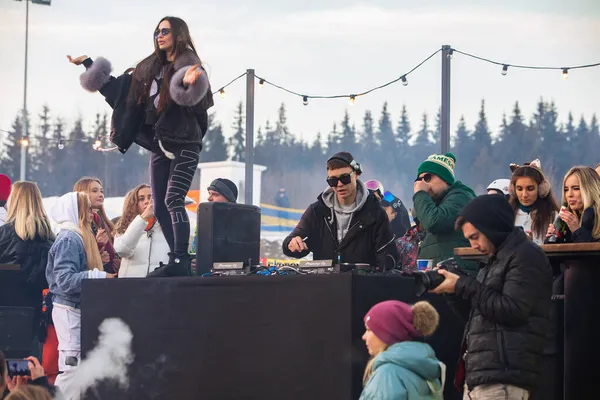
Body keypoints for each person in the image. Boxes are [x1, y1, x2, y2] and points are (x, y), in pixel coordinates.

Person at [69, 16, 212, 277]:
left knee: (173, 199)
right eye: (157, 31)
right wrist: (89, 64)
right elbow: (120, 92)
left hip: (186, 143)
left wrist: (192, 81)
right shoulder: (150, 68)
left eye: (165, 31)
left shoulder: (189, 63)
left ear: (178, 34)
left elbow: (198, 101)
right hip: (160, 144)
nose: (160, 35)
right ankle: (175, 258)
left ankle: (180, 259)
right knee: (159, 205)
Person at [431, 195, 552, 400]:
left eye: (475, 236)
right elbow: (479, 316)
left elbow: (513, 310)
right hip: (482, 376)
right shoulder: (493, 260)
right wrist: (452, 291)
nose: (473, 245)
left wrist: (463, 284)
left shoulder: (526, 256)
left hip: (504, 378)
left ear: (493, 227)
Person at [45, 192, 115, 399]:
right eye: (85, 207)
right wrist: (99, 276)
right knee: (71, 367)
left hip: (71, 308)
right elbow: (65, 280)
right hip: (68, 309)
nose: (90, 211)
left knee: (74, 366)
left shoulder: (74, 236)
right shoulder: (69, 238)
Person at [282, 152, 398, 270]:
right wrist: (292, 244)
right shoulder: (317, 211)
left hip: (362, 285)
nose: (339, 184)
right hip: (324, 284)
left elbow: (388, 260)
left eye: (345, 178)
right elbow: (290, 244)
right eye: (333, 180)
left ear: (356, 175)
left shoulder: (375, 213)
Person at [0, 182, 54, 358]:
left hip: (5, 311)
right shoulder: (50, 238)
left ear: (13, 201)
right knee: (30, 366)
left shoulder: (3, 235)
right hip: (36, 313)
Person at [360, 300, 444, 400]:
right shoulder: (425, 368)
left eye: (369, 330)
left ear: (387, 334)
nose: (363, 336)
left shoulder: (388, 373)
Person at [412, 153, 477, 274]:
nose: (422, 183)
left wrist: (420, 194)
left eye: (427, 178)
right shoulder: (435, 203)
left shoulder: (461, 196)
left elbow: (435, 222)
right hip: (438, 274)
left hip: (458, 276)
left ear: (445, 178)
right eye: (419, 180)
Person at [113, 184, 169, 277]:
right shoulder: (124, 226)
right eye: (141, 199)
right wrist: (143, 218)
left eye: (150, 197)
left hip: (159, 286)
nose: (147, 201)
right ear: (133, 204)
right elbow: (122, 250)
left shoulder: (168, 226)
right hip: (132, 287)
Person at [73, 178, 119, 274]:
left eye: (101, 191)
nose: (100, 194)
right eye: (95, 191)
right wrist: (98, 247)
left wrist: (118, 262)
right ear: (82, 194)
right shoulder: (76, 226)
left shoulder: (105, 223)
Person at [508, 160, 559, 245]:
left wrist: (531, 245)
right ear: (513, 190)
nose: (524, 195)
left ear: (541, 189)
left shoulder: (554, 218)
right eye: (519, 189)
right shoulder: (506, 217)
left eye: (530, 189)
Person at [546, 166, 600, 243]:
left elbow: (592, 251)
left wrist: (577, 230)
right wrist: (554, 237)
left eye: (576, 188)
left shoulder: (595, 217)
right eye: (566, 190)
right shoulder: (566, 218)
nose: (569, 194)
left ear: (590, 189)